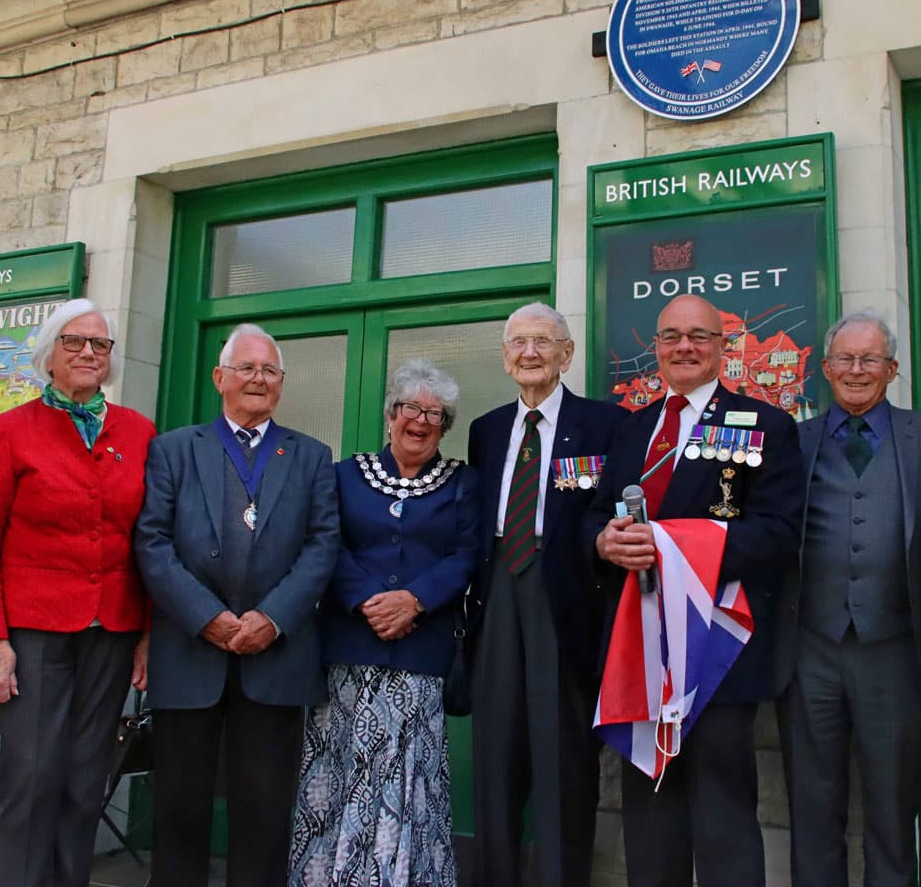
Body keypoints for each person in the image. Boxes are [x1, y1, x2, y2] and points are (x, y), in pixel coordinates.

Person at [587, 293, 803, 887]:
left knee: (724, 819)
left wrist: (673, 545)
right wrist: (604, 543)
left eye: (700, 336)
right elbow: (595, 515)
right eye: (672, 336)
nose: (685, 347)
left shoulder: (766, 425)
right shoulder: (630, 430)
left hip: (716, 652)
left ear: (722, 347)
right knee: (649, 817)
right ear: (655, 349)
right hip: (638, 651)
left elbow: (780, 535)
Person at [134, 323, 339, 887]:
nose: (258, 379)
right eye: (246, 368)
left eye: (270, 370)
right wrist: (207, 617)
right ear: (219, 377)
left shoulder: (311, 455)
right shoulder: (173, 449)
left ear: (281, 385)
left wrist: (273, 618)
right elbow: (151, 542)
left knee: (265, 811)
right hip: (188, 653)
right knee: (179, 807)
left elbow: (323, 545)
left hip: (275, 659)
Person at [0, 298, 154, 887]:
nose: (89, 354)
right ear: (49, 354)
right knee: (33, 774)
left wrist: (147, 633)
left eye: (100, 345)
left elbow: (150, 539)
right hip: (33, 630)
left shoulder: (139, 432)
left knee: (85, 779)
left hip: (113, 629)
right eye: (75, 342)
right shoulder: (9, 430)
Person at [774, 311, 921, 887]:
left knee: (894, 812)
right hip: (808, 652)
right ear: (825, 369)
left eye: (869, 359)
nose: (856, 370)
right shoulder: (790, 443)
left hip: (896, 652)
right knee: (812, 808)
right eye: (845, 359)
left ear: (891, 369)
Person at [290, 358, 480, 886]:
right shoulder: (343, 476)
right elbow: (327, 544)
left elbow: (467, 556)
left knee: (406, 781)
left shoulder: (463, 482)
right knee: (343, 776)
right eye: (410, 409)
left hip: (422, 656)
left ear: (445, 426)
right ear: (390, 414)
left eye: (434, 414)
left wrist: (414, 600)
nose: (420, 421)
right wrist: (371, 601)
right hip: (348, 653)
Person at [466, 302, 624, 887]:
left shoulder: (607, 425)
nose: (530, 353)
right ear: (506, 357)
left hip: (567, 604)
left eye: (543, 342)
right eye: (518, 343)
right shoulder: (484, 431)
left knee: (564, 768)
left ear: (567, 353)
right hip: (498, 597)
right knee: (495, 764)